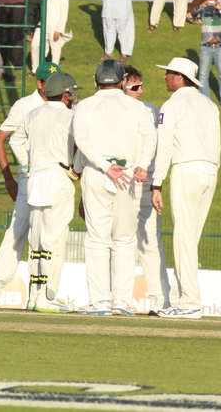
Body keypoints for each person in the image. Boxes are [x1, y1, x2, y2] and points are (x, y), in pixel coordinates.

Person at [72, 59, 157, 316]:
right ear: (122, 81)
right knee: (125, 239)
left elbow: (81, 140)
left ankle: (100, 302)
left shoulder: (84, 105)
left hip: (97, 174)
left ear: (96, 82)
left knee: (97, 239)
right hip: (127, 175)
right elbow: (150, 136)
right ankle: (120, 301)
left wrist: (104, 165)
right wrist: (141, 165)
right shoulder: (137, 107)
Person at [0, 62, 61, 309]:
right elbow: (0, 140)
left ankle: (41, 295)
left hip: (55, 178)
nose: (58, 87)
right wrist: (8, 178)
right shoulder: (25, 105)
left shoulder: (65, 104)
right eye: (51, 82)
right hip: (29, 179)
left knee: (49, 237)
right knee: (17, 232)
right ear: (39, 83)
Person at [151, 57, 220, 319]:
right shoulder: (209, 104)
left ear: (180, 77)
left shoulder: (172, 104)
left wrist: (156, 183)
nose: (165, 77)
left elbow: (164, 145)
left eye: (168, 73)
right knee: (190, 238)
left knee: (184, 237)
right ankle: (182, 299)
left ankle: (189, 302)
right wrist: (212, 170)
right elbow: (218, 144)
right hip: (209, 170)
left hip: (186, 168)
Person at [9, 72, 80, 313]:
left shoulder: (32, 113)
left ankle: (34, 295)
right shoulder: (71, 116)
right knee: (56, 238)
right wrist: (76, 170)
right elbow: (83, 144)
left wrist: (27, 165)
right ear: (64, 93)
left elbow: (15, 141)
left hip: (36, 179)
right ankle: (48, 296)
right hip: (58, 178)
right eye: (71, 91)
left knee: (37, 239)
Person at [122, 65, 171, 313]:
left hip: (147, 182)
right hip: (122, 183)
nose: (141, 91)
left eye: (141, 85)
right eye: (135, 87)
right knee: (121, 241)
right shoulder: (114, 111)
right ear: (121, 87)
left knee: (151, 243)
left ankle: (162, 299)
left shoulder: (152, 110)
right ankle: (117, 298)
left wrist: (156, 184)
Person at [191, 0, 221, 110]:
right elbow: (191, 15)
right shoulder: (203, 12)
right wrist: (201, 5)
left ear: (217, 0)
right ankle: (205, 100)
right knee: (203, 75)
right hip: (206, 47)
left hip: (220, 48)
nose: (211, 1)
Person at [30, 0, 69, 74]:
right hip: (43, 23)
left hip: (54, 25)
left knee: (55, 49)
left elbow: (64, 13)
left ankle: (54, 70)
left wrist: (59, 30)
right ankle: (35, 70)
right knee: (35, 45)